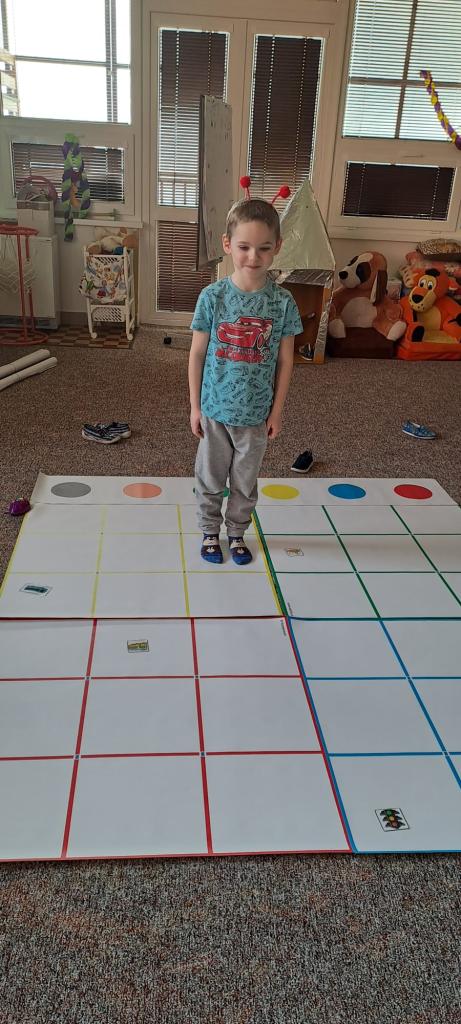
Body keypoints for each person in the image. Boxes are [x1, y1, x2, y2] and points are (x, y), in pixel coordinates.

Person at [188, 184, 303, 565]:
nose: (254, 257)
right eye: (244, 247)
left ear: (277, 247)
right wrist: (195, 407)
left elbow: (286, 361)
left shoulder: (283, 302)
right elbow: (197, 354)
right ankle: (209, 531)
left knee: (244, 481)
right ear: (228, 244)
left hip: (255, 414)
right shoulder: (212, 297)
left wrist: (277, 411)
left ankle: (236, 533)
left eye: (264, 248)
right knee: (209, 477)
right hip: (215, 410)